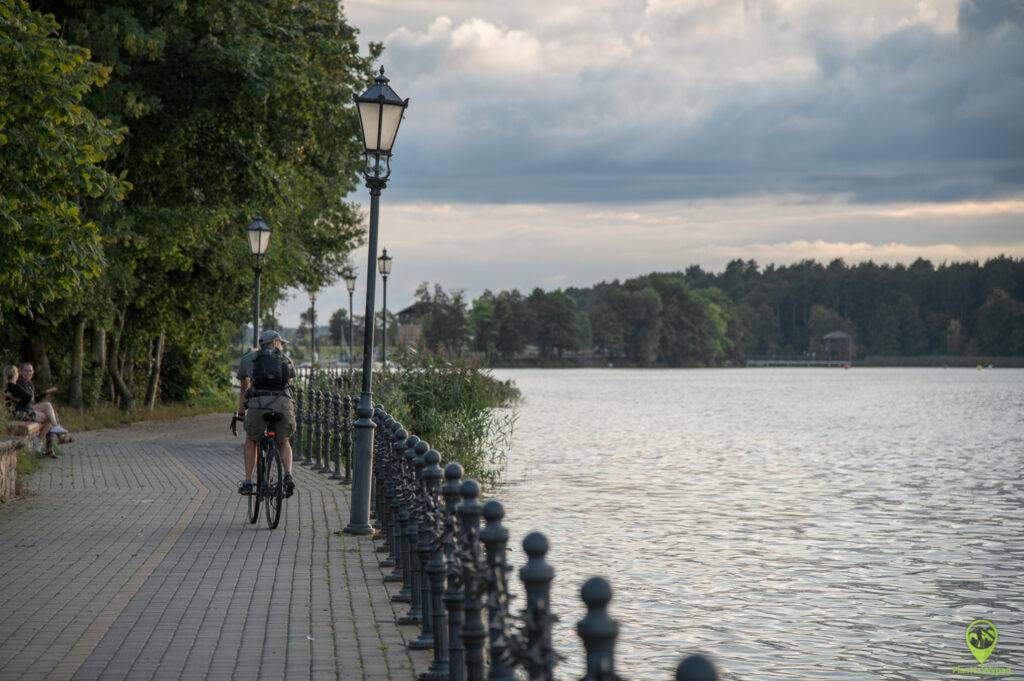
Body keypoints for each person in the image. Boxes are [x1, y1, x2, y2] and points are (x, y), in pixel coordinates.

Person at [237, 330, 296, 497]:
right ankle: (288, 475)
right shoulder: (286, 359)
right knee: (283, 441)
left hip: (258, 405)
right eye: (281, 343)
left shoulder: (248, 359)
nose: (282, 346)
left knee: (251, 439)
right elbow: (288, 387)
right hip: (282, 404)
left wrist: (241, 414)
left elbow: (243, 390)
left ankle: (248, 482)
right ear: (275, 343)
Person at [4, 364, 55, 457]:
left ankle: (42, 442)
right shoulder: (14, 385)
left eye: (30, 371)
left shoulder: (14, 385)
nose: (28, 373)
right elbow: (28, 397)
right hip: (20, 413)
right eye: (18, 373)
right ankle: (39, 442)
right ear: (16, 374)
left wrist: (45, 393)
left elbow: (29, 398)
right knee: (48, 417)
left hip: (23, 410)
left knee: (49, 413)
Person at [18, 363, 70, 440]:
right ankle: (56, 429)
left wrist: (47, 392)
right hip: (24, 408)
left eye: (30, 371)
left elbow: (36, 398)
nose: (28, 373)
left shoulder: (29, 384)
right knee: (47, 405)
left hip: (31, 407)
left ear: (33, 372)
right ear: (21, 371)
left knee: (51, 416)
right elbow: (26, 398)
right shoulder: (20, 382)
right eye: (26, 371)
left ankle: (39, 441)